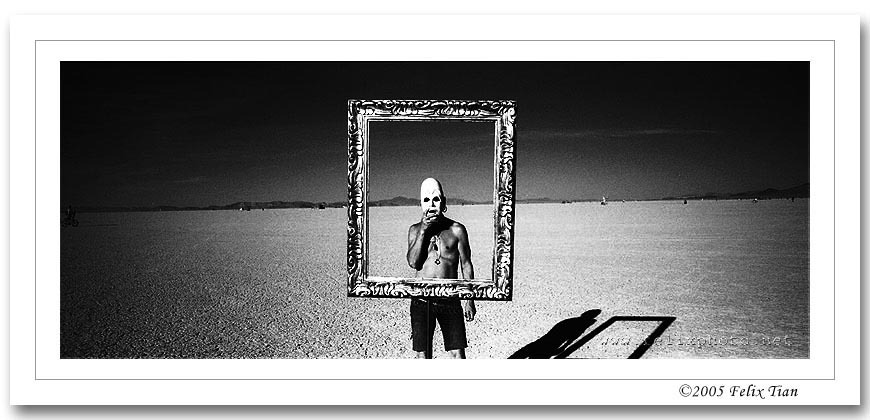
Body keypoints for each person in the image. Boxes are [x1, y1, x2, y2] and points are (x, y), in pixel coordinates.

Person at [406, 178, 476, 359]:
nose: (431, 205)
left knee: (457, 353)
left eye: (436, 199)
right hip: (421, 299)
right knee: (423, 354)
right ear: (421, 204)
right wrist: (423, 230)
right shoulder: (414, 230)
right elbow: (414, 263)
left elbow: (466, 264)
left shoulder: (457, 230)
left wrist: (469, 299)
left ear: (443, 202)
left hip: (450, 297)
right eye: (426, 200)